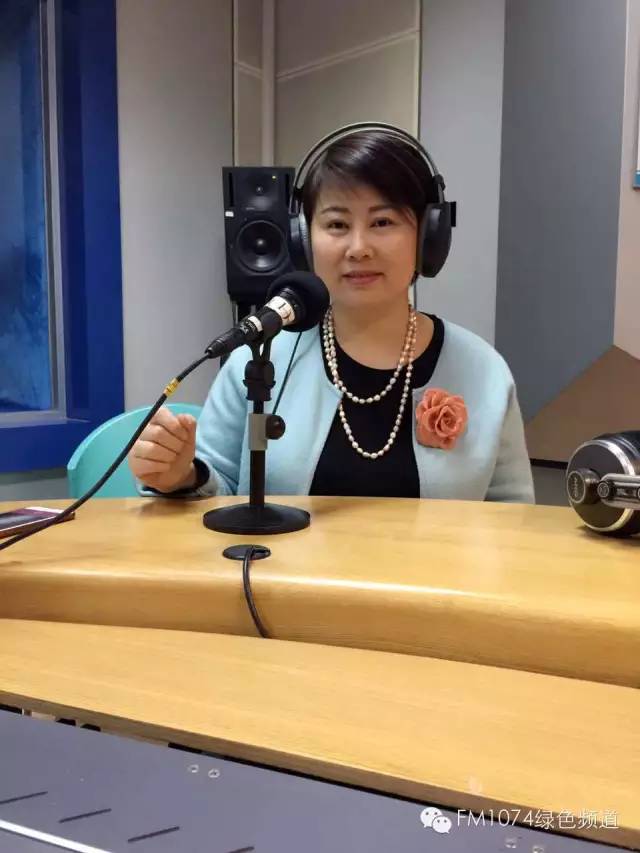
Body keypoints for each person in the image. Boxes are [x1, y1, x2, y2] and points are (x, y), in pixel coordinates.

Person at [128, 125, 534, 503]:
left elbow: (514, 523)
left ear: (429, 236)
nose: (358, 248)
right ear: (303, 239)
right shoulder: (260, 359)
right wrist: (182, 476)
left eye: (383, 222)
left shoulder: (484, 371)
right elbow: (220, 491)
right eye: (337, 224)